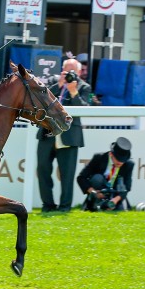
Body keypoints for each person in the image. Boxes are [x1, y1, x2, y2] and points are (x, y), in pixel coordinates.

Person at [36, 58, 92, 212]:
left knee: (67, 175)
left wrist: (74, 92)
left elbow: (86, 109)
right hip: (48, 132)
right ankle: (48, 205)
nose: (69, 74)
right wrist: (59, 85)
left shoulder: (84, 87)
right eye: (66, 71)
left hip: (69, 135)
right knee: (42, 170)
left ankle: (65, 206)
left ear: (79, 72)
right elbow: (40, 100)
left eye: (72, 71)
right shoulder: (53, 82)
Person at [77, 137, 134, 212]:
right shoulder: (99, 158)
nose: (120, 162)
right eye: (118, 159)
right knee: (97, 178)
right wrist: (93, 192)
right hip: (98, 191)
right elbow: (81, 177)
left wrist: (115, 200)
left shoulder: (129, 165)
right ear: (111, 154)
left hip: (115, 194)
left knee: (122, 186)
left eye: (123, 160)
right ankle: (93, 204)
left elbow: (127, 187)